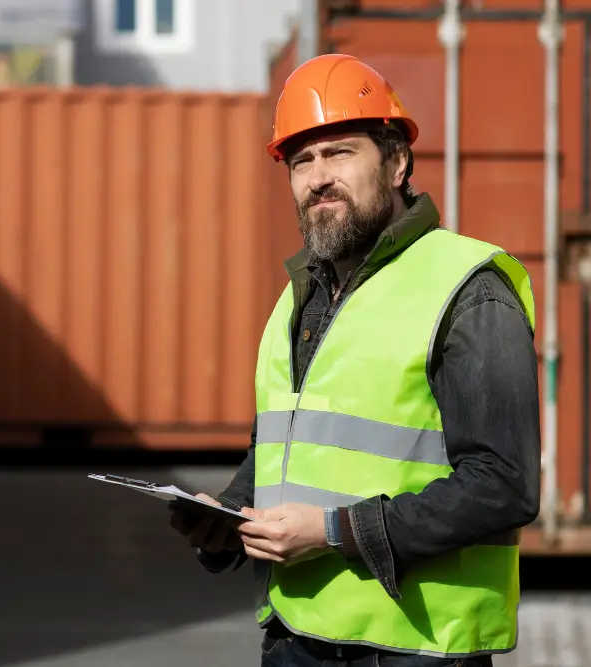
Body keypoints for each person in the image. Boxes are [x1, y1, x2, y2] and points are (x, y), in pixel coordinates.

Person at [168, 53, 541, 667]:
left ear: (396, 163)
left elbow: (504, 486)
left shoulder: (468, 288)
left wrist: (334, 533)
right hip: (296, 639)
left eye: (340, 153)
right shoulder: (302, 297)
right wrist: (228, 514)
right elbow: (288, 450)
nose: (318, 177)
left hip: (416, 648)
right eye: (301, 161)